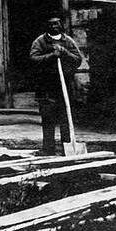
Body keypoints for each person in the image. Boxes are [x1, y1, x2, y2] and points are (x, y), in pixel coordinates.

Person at [29, 16, 84, 155]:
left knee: (65, 118)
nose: (54, 27)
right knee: (48, 118)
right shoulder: (40, 41)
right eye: (51, 24)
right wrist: (52, 55)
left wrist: (64, 52)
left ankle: (67, 148)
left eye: (56, 24)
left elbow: (78, 59)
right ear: (47, 27)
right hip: (46, 86)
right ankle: (48, 149)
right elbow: (33, 59)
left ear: (61, 25)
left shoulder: (68, 41)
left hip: (65, 85)